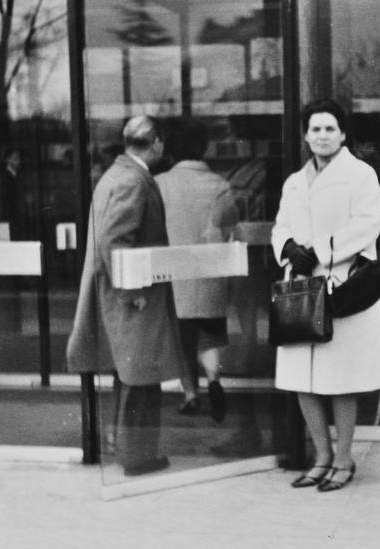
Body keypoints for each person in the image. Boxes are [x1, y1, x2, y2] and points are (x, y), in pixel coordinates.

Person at [271, 98, 380, 492]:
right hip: (302, 290)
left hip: (342, 287)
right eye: (315, 128)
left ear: (342, 134)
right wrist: (289, 249)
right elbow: (280, 226)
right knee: (302, 378)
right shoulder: (293, 182)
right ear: (306, 135)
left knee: (342, 378)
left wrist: (319, 252)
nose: (322, 135)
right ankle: (321, 456)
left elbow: (367, 226)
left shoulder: (361, 175)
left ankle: (344, 458)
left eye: (329, 128)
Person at [66, 115, 184, 476]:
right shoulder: (134, 180)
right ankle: (137, 457)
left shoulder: (114, 175)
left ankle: (128, 450)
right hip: (134, 299)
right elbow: (114, 240)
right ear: (157, 142)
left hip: (119, 297)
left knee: (132, 375)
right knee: (140, 378)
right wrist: (131, 290)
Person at [156, 121, 239, 422]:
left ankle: (191, 394)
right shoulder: (219, 184)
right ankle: (214, 382)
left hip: (175, 274)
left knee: (183, 341)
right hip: (209, 273)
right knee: (210, 338)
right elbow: (230, 225)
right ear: (204, 149)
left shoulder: (161, 183)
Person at [0, 147, 22, 239]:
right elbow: (6, 201)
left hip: (16, 219)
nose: (18, 161)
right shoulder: (6, 178)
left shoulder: (16, 176)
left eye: (18, 158)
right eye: (15, 158)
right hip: (11, 220)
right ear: (8, 160)